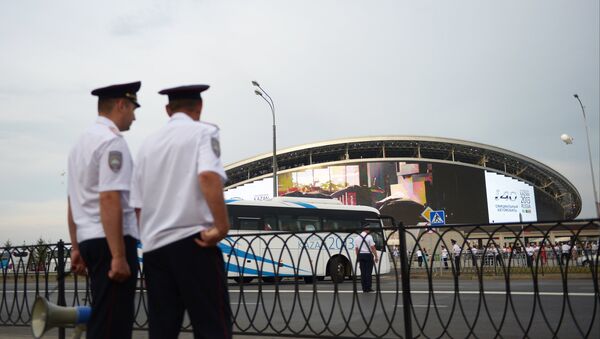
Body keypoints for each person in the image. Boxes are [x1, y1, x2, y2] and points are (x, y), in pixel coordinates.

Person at [130, 84, 232, 339]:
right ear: (200, 106)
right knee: (212, 326)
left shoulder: (147, 145)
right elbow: (208, 176)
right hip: (194, 244)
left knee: (163, 329)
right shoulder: (204, 132)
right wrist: (221, 227)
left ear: (168, 110)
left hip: (155, 251)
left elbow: (137, 204)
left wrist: (150, 238)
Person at [67, 81, 141, 339]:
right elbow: (110, 197)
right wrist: (118, 256)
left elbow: (72, 201)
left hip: (90, 240)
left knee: (102, 317)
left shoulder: (80, 145)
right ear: (121, 104)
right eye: (133, 107)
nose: (134, 115)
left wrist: (76, 247)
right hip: (111, 241)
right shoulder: (112, 142)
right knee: (114, 324)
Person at [354, 225, 379, 292]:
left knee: (363, 273)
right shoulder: (369, 237)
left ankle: (364, 288)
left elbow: (356, 249)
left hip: (361, 255)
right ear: (367, 230)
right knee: (368, 272)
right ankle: (368, 287)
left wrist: (358, 257)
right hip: (368, 255)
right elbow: (373, 247)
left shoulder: (357, 238)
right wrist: (376, 256)